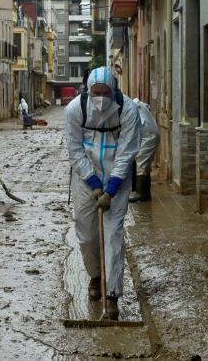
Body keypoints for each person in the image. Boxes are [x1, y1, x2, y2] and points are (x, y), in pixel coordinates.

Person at [65, 66, 140, 320]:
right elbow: (74, 150)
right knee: (86, 234)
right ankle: (96, 277)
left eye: (105, 92)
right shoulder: (76, 109)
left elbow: (127, 152)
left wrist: (111, 188)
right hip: (86, 178)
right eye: (95, 92)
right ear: (88, 90)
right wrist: (95, 183)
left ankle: (113, 296)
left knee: (113, 236)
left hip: (117, 180)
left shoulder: (128, 111)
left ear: (114, 90)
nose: (100, 98)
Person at [129, 98, 159, 202]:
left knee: (141, 164)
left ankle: (140, 193)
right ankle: (146, 193)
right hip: (149, 135)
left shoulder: (132, 108)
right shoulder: (139, 105)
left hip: (148, 137)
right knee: (144, 165)